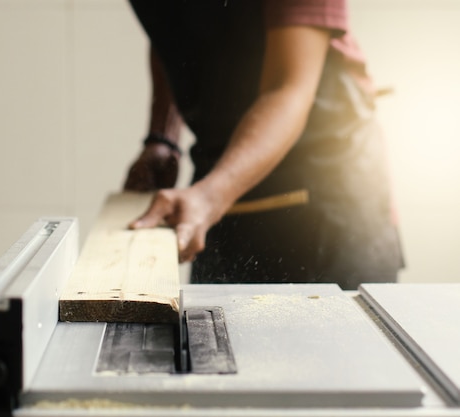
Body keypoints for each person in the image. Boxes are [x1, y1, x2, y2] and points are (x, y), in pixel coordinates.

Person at [122, 0, 403, 290]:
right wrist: (163, 138)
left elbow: (288, 88)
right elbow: (174, 34)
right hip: (216, 178)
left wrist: (209, 196)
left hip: (327, 189)